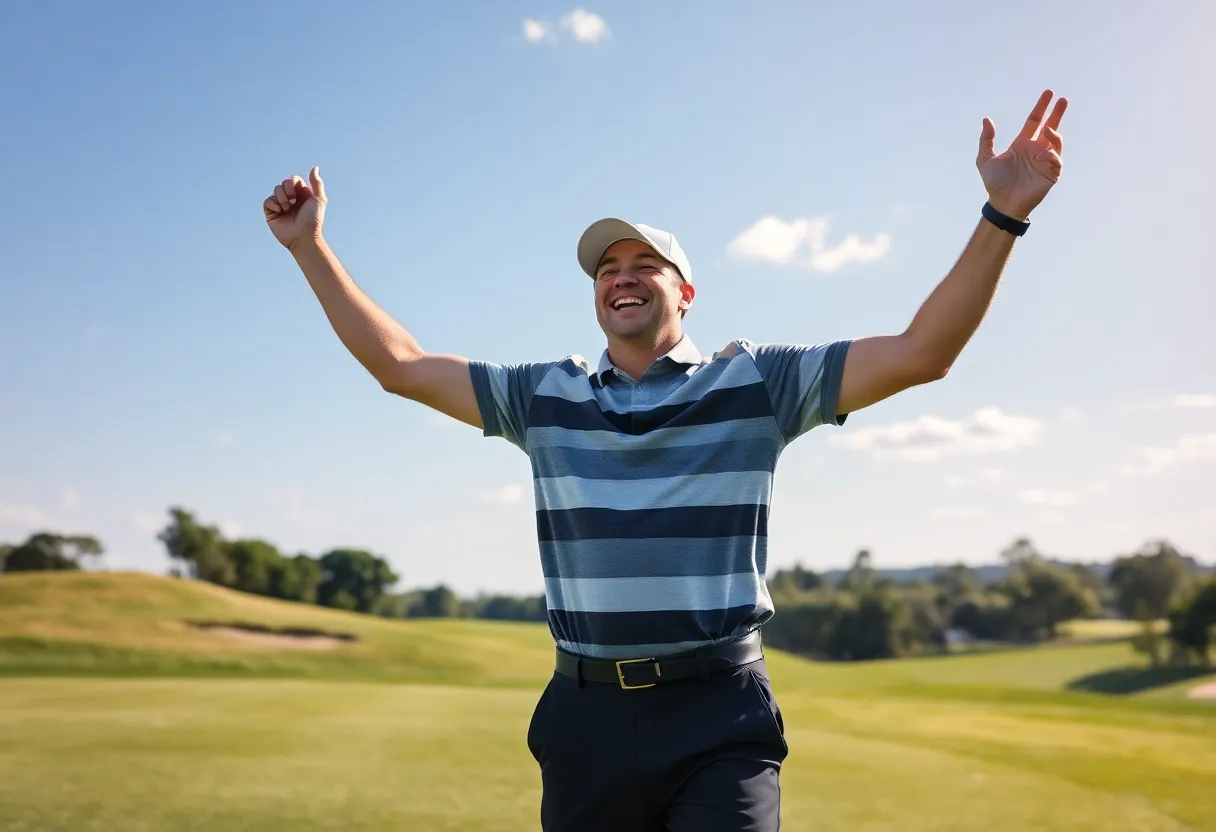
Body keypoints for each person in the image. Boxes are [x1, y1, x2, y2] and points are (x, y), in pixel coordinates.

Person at [263, 89, 1068, 831]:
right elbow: (400, 366)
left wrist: (1002, 215)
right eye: (606, 270)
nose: (621, 278)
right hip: (586, 717)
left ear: (685, 293)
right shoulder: (544, 395)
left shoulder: (758, 381)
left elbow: (923, 352)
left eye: (643, 264)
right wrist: (310, 249)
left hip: (720, 712)